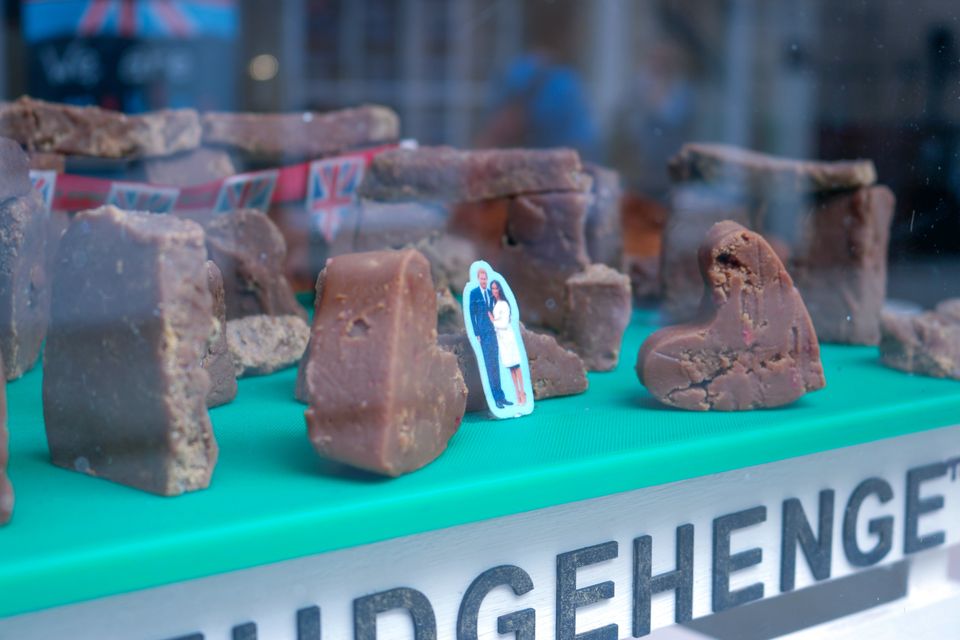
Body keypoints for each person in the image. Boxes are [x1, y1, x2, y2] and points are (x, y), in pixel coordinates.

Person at [469, 268, 511, 409]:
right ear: (478, 279)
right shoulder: (474, 293)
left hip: (493, 333)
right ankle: (495, 397)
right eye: (481, 278)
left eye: (485, 278)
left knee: (496, 364)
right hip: (483, 334)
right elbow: (471, 315)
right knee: (489, 365)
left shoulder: (490, 293)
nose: (484, 281)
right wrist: (477, 333)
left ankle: (501, 396)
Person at [488, 280, 527, 406]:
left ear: (499, 289)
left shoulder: (504, 304)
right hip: (502, 338)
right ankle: (517, 393)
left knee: (516, 365)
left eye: (496, 288)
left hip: (508, 337)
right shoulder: (495, 304)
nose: (494, 291)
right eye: (492, 288)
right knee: (511, 367)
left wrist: (493, 320)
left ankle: (523, 392)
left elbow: (504, 323)